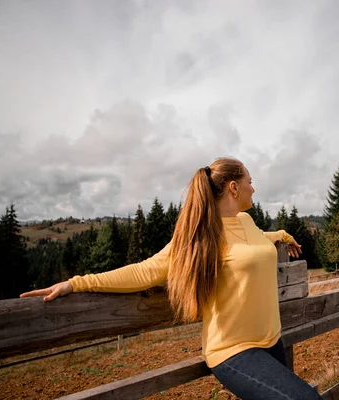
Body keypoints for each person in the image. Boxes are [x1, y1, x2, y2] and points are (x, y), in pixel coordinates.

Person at [20, 157, 322, 400]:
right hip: (234, 351)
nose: (253, 189)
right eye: (250, 182)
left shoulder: (246, 221)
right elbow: (144, 271)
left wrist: (283, 235)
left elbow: (257, 242)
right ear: (233, 187)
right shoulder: (199, 238)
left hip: (272, 340)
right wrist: (77, 282)